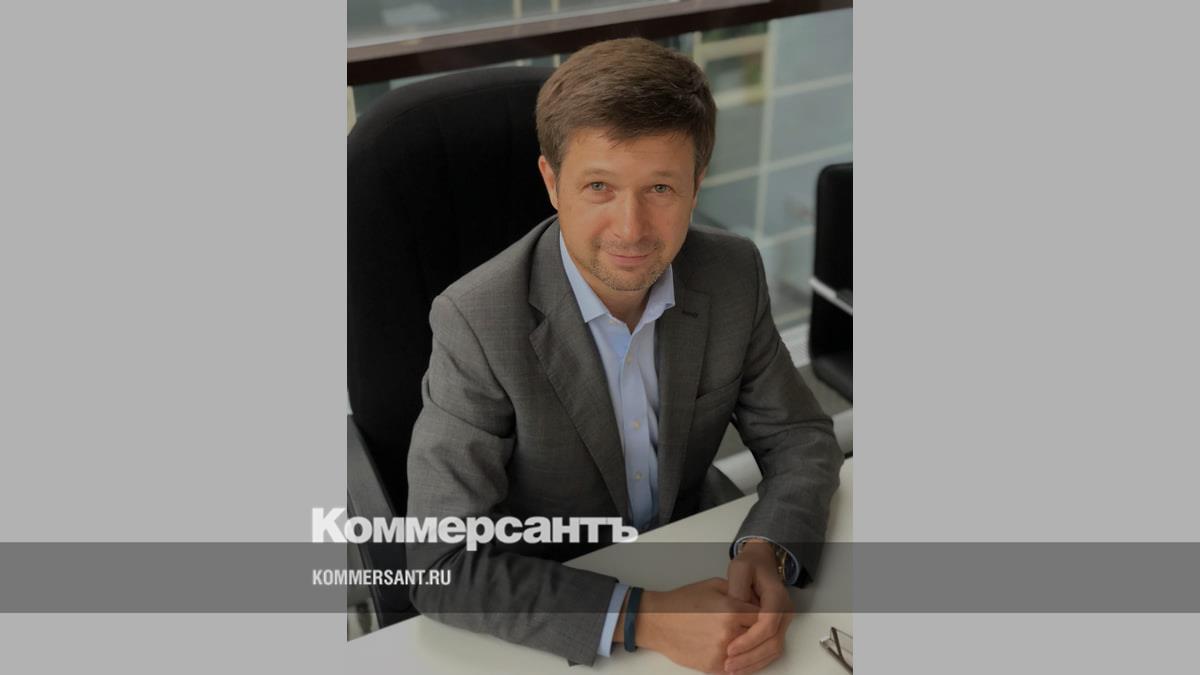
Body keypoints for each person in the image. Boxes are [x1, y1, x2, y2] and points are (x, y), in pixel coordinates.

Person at [405, 37, 843, 674]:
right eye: (599, 186)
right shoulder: (476, 320)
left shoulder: (731, 274)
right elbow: (440, 563)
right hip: (555, 587)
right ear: (552, 182)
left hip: (694, 553)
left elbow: (799, 435)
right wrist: (643, 616)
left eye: (660, 187)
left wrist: (768, 546)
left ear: (696, 185)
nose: (632, 229)